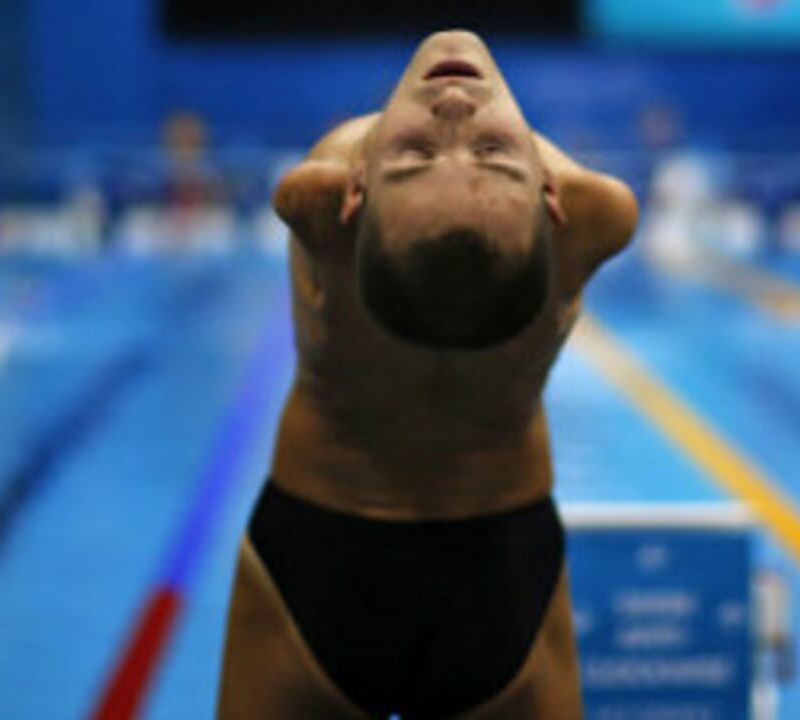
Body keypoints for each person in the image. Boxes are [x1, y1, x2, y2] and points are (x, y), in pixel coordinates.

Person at [217, 30, 637, 720]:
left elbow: (293, 193)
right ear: (551, 196)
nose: (453, 110)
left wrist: (409, 161)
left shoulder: (319, 200)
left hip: (316, 563)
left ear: (353, 192)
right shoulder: (592, 216)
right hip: (504, 574)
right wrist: (512, 161)